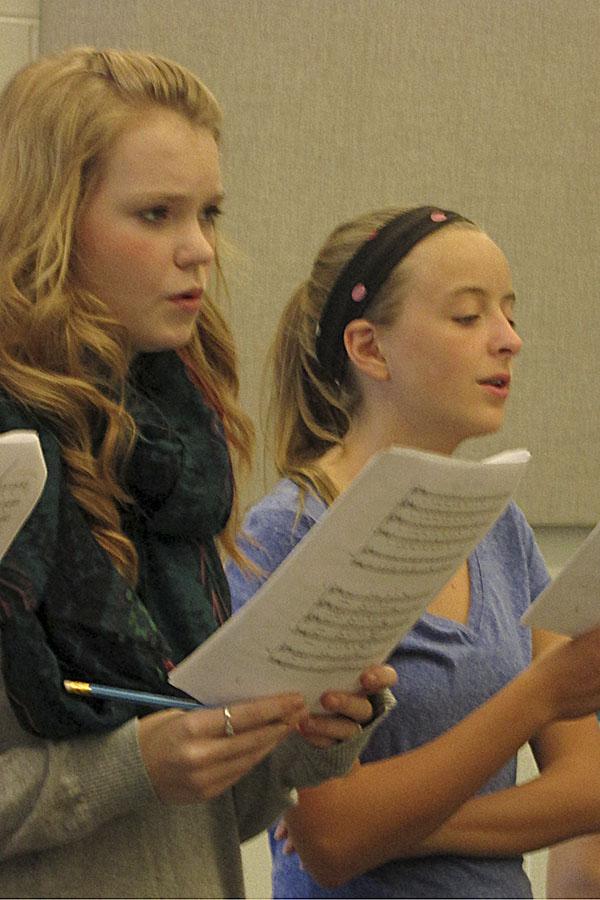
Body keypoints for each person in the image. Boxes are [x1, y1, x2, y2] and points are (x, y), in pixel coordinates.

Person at [0, 48, 397, 900]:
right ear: (47, 220)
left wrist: (306, 731)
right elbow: (133, 777)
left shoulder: (173, 454)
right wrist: (128, 769)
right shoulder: (12, 460)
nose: (199, 250)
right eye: (155, 214)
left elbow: (213, 810)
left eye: (209, 213)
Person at [227, 205, 600, 898]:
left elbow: (586, 786)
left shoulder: (502, 526)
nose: (510, 339)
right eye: (468, 317)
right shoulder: (289, 535)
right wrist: (535, 698)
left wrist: (409, 825)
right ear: (369, 349)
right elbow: (331, 837)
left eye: (509, 313)